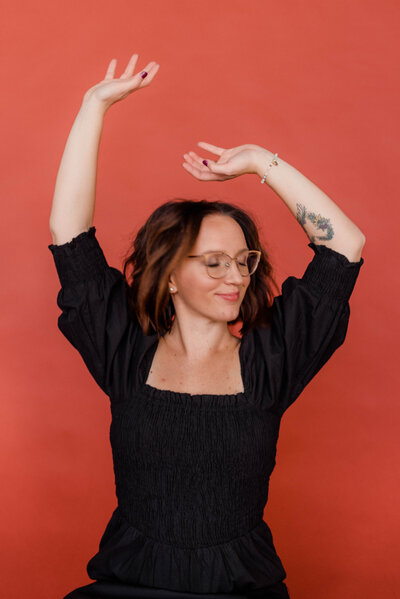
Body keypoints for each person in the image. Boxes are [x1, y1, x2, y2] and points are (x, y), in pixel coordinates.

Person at [48, 54, 366, 599]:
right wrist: (93, 106)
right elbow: (68, 233)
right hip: (129, 587)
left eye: (244, 261)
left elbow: (345, 246)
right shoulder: (124, 351)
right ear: (170, 276)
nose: (235, 276)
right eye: (213, 262)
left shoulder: (272, 360)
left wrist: (259, 163)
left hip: (243, 590)